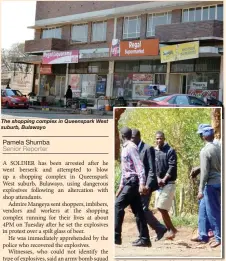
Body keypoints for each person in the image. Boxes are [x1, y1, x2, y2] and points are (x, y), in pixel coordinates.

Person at [115, 127, 151, 247]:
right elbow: (125, 170)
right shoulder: (125, 147)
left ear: (121, 136)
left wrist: (142, 183)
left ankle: (116, 237)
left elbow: (139, 166)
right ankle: (145, 239)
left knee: (118, 205)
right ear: (130, 135)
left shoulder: (130, 147)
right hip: (129, 182)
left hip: (133, 182)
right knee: (138, 211)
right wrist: (121, 186)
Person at [131, 129, 167, 241]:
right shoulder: (132, 148)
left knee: (142, 209)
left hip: (146, 186)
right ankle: (146, 233)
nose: (131, 140)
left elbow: (152, 170)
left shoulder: (147, 148)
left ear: (137, 137)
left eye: (132, 138)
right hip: (135, 185)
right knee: (138, 210)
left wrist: (147, 186)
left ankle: (157, 229)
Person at [191, 124, 221, 248]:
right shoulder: (218, 147)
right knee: (203, 207)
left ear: (203, 136)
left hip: (211, 184)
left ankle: (219, 237)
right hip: (219, 181)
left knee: (213, 212)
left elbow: (204, 173)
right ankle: (203, 235)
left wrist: (200, 189)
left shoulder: (205, 151)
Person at [154, 131, 178, 239]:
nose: (159, 140)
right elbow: (153, 167)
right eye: (157, 138)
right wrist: (158, 179)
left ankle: (172, 229)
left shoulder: (170, 151)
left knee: (161, 207)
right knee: (160, 208)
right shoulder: (154, 151)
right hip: (159, 184)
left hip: (169, 183)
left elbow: (172, 166)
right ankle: (169, 230)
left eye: (161, 138)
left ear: (164, 138)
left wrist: (164, 179)